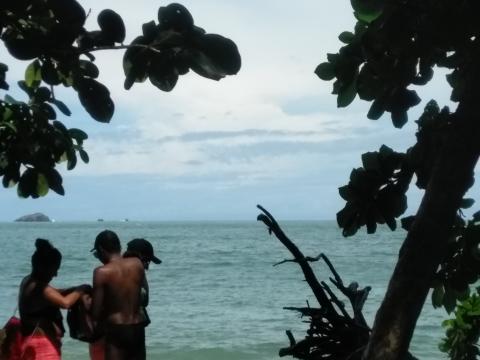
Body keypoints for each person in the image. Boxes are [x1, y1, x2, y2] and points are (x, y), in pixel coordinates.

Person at [18, 239, 89, 359]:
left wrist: (72, 289)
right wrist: (81, 289)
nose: (55, 274)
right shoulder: (41, 288)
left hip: (32, 342)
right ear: (43, 267)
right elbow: (65, 303)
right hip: (42, 348)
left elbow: (54, 293)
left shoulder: (28, 281)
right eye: (54, 269)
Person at [90, 230, 146, 360]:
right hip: (137, 327)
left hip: (116, 330)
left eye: (96, 253)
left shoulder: (101, 272)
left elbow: (95, 313)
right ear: (119, 247)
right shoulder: (137, 264)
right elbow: (144, 296)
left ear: (101, 250)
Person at [123, 238, 162, 326]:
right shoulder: (132, 274)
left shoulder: (116, 270)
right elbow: (145, 301)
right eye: (147, 261)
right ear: (140, 257)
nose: (147, 266)